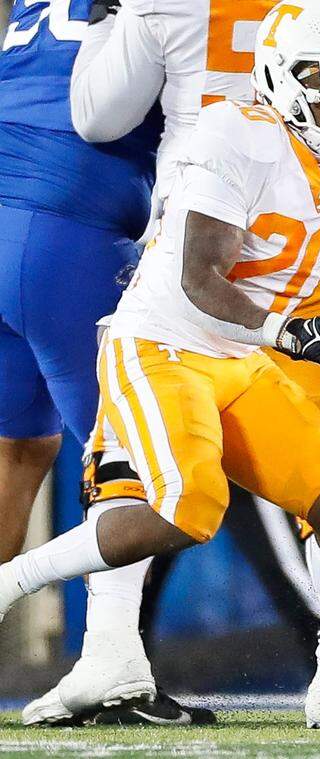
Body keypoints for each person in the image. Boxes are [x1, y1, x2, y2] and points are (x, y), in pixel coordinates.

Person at [0, 0, 320, 731]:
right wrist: (289, 333)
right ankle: (43, 603)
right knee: (174, 497)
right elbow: (200, 276)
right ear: (281, 78)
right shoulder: (234, 133)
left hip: (239, 343)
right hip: (172, 330)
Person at [0, 0, 160, 564]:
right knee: (141, 466)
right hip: (67, 232)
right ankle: (110, 644)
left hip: (17, 204)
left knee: (19, 451)